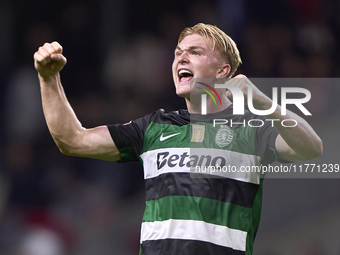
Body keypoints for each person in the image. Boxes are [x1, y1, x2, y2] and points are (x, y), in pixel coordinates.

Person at [34, 23, 322, 255]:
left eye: (195, 52)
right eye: (178, 52)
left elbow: (311, 149)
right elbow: (72, 140)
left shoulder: (250, 129)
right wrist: (49, 79)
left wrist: (261, 102)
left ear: (222, 71)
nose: (181, 58)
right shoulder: (153, 128)